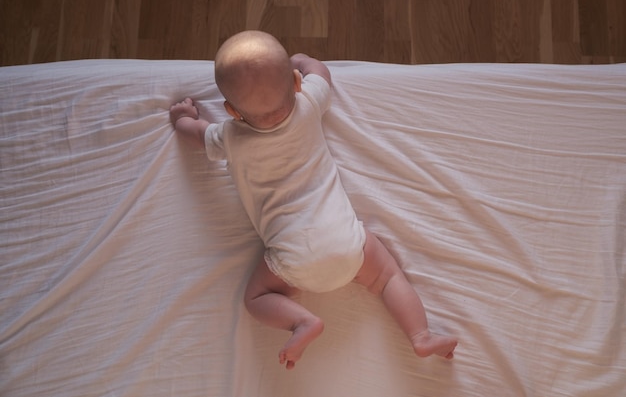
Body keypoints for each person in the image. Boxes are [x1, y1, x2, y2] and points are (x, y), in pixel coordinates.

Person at [170, 30, 457, 370]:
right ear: (295, 83)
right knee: (388, 278)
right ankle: (420, 336)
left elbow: (196, 136)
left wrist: (183, 117)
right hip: (348, 244)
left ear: (231, 110)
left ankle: (302, 322)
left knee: (256, 298)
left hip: (293, 261)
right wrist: (302, 61)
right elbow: (321, 73)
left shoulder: (230, 137)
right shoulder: (308, 103)